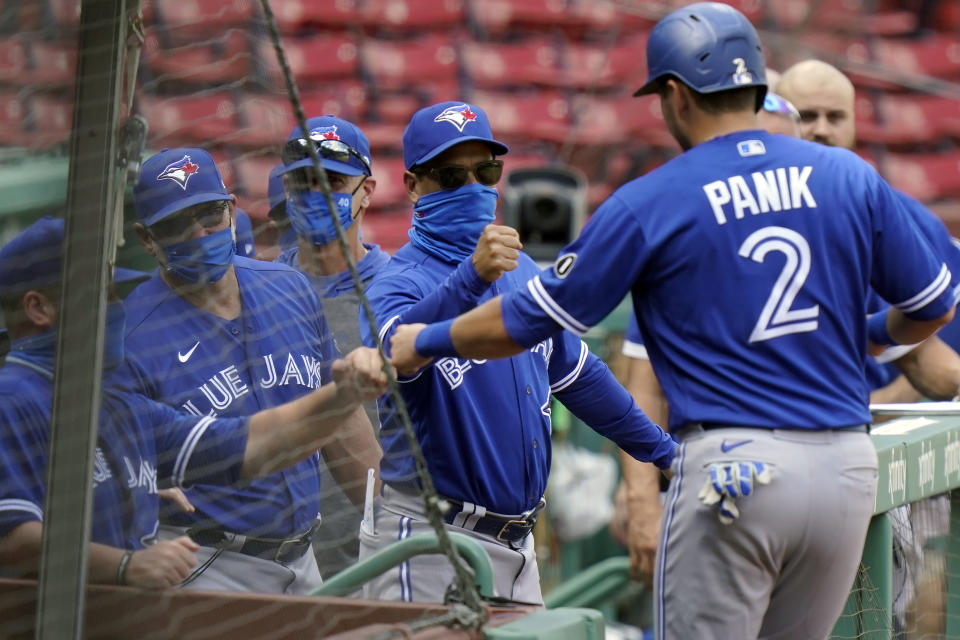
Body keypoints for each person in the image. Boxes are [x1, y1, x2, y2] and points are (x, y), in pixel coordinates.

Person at [388, 5, 956, 638]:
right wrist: (865, 335)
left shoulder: (656, 196)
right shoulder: (851, 176)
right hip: (845, 468)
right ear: (760, 88)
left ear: (678, 96)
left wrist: (427, 338)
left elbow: (530, 321)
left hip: (737, 468)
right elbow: (934, 307)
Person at [358, 101, 676, 605]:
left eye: (485, 170)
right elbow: (397, 349)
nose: (472, 187)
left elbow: (578, 377)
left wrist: (666, 454)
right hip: (430, 540)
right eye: (450, 175)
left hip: (517, 544)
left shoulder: (522, 270)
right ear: (414, 185)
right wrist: (473, 277)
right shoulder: (394, 283)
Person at [0, 216, 387, 589]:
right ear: (38, 308)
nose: (116, 306)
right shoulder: (13, 400)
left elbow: (250, 444)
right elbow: (12, 540)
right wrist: (125, 566)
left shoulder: (113, 405)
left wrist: (344, 395)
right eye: (102, 294)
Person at [123, 147, 381, 594]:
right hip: (206, 563)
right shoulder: (128, 338)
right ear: (147, 239)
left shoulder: (289, 287)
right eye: (177, 226)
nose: (199, 233)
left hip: (304, 556)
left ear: (231, 209)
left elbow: (341, 426)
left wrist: (389, 527)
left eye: (209, 215)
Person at [776, 59, 960, 404]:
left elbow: (935, 359)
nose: (821, 130)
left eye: (835, 117)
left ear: (855, 126)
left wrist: (867, 415)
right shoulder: (742, 216)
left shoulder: (906, 219)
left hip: (886, 429)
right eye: (806, 116)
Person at [274, 115, 390, 577]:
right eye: (302, 182)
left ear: (367, 190)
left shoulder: (401, 293)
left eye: (334, 182)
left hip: (378, 541)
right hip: (280, 552)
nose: (316, 195)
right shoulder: (259, 292)